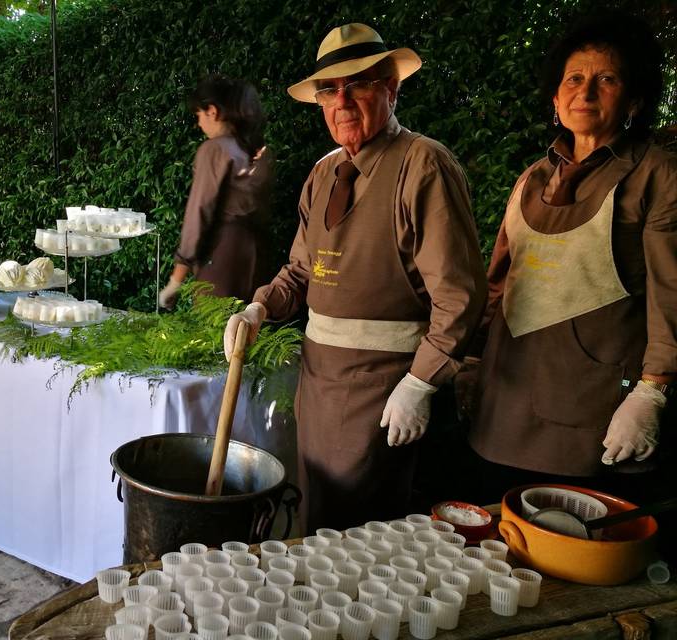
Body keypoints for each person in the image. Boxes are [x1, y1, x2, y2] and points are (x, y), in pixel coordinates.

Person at [223, 23, 487, 531]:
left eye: (359, 84)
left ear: (391, 87)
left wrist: (420, 382)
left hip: (384, 386)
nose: (342, 101)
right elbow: (300, 270)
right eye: (329, 89)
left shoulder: (422, 165)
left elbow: (459, 296)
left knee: (361, 535)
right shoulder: (324, 173)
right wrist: (259, 307)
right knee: (316, 515)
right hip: (318, 381)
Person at [464, 11, 676, 510]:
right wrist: (472, 362)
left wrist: (653, 390)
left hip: (593, 411)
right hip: (504, 403)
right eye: (574, 79)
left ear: (634, 100)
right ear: (556, 102)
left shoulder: (657, 176)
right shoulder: (531, 179)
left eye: (606, 79)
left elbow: (671, 294)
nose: (586, 91)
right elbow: (498, 286)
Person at [158, 75, 273, 309]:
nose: (199, 123)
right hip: (258, 257)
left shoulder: (214, 150)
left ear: (212, 111)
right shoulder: (257, 150)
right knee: (249, 336)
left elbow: (198, 214)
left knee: (215, 337)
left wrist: (175, 280)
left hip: (221, 257)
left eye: (198, 115)